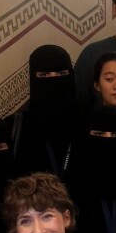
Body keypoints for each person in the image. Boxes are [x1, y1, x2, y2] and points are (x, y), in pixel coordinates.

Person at [16, 45, 80, 177]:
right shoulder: (16, 126)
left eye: (61, 73)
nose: (53, 79)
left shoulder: (89, 124)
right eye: (44, 74)